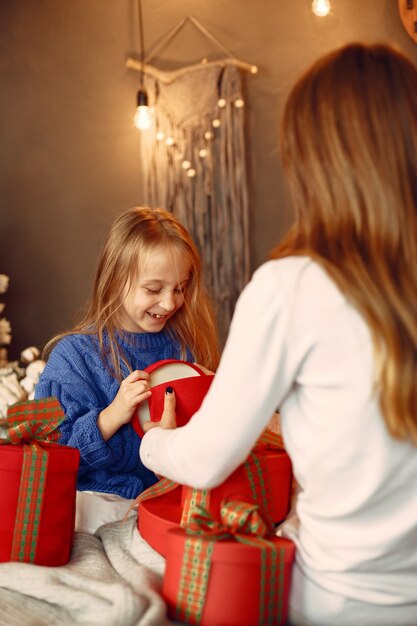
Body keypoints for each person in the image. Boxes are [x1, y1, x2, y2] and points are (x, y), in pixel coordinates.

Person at [139, 43, 417, 626]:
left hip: (337, 601)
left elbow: (207, 458)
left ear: (315, 161)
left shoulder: (294, 286)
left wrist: (153, 444)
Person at [35, 206, 220, 503]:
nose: (170, 302)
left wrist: (212, 399)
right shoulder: (74, 357)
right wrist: (110, 417)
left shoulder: (185, 348)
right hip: (95, 500)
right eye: (154, 289)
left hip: (169, 499)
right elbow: (49, 457)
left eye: (180, 288)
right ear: (115, 278)